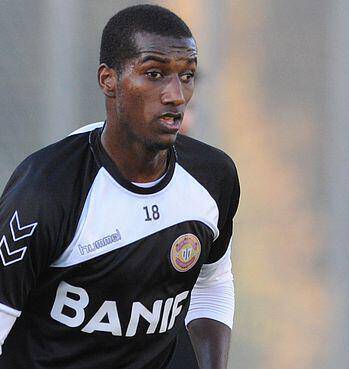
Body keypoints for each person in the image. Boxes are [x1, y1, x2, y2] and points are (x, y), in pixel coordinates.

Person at [0, 4, 239, 369]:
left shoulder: (213, 176)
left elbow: (213, 280)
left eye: (187, 75)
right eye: (155, 73)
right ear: (108, 80)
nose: (175, 94)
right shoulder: (46, 190)